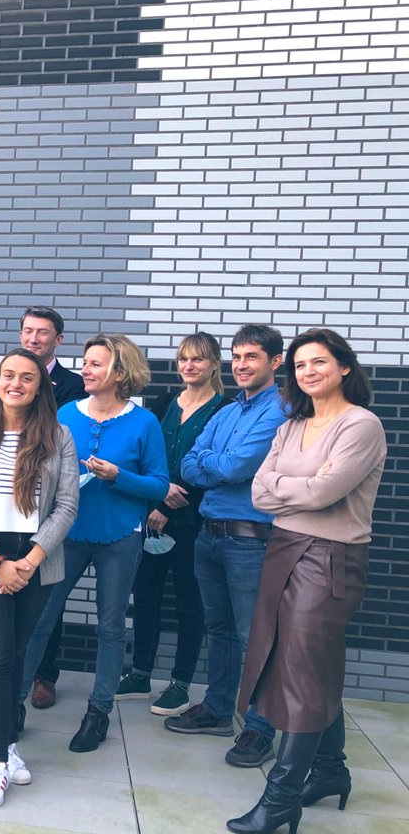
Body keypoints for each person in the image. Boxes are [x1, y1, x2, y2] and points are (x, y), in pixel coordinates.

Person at [226, 329, 386, 834]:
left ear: (344, 367)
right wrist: (302, 486)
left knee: (303, 673)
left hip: (331, 559)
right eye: (299, 365)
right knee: (302, 665)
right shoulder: (292, 424)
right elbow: (259, 492)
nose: (308, 371)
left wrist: (290, 487)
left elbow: (322, 494)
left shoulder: (361, 425)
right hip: (283, 549)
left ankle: (281, 798)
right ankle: (331, 770)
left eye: (319, 362)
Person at [20, 334, 168, 753]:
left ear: (119, 372)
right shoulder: (66, 413)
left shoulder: (144, 423)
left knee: (110, 627)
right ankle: (13, 703)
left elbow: (159, 485)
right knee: (39, 619)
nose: (84, 369)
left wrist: (118, 476)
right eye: (85, 362)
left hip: (120, 537)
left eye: (95, 364)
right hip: (64, 535)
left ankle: (98, 712)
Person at [0, 349, 78, 806]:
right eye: (8, 375)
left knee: (19, 653)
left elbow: (67, 505)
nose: (16, 384)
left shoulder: (59, 436)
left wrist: (30, 561)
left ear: (40, 386)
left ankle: (7, 744)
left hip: (37, 561)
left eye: (27, 377)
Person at [164, 325, 287, 769]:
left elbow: (237, 466)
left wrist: (213, 464)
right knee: (218, 628)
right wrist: (216, 465)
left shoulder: (281, 409)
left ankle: (260, 726)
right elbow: (188, 465)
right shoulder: (228, 410)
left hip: (251, 541)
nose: (241, 365)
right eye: (237, 356)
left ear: (275, 362)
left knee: (255, 635)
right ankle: (218, 708)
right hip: (210, 534)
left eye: (251, 356)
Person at [116, 332, 227, 716]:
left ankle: (180, 683)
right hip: (151, 517)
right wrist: (155, 499)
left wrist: (170, 503)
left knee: (188, 602)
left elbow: (214, 464)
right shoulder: (162, 403)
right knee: (145, 597)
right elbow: (145, 457)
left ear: (215, 364)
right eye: (184, 359)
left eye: (198, 359)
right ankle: (140, 674)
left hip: (194, 520)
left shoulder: (224, 410)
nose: (189, 366)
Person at [19, 306, 85, 710]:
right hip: (7, 497)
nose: (33, 339)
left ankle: (45, 675)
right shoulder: (8, 376)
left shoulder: (73, 386)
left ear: (58, 340)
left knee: (47, 592)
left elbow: (62, 441)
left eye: (42, 333)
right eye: (28, 331)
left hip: (49, 498)